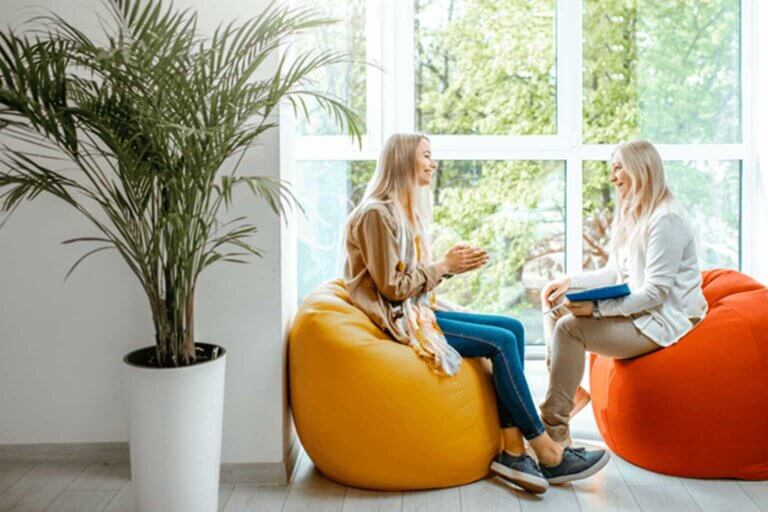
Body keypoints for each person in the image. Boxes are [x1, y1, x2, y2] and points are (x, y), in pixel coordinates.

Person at [343, 133, 609, 494]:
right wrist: (443, 266)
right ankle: (545, 450)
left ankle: (513, 451)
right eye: (426, 156)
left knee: (512, 328)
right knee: (498, 342)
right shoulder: (376, 214)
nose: (433, 163)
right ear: (404, 160)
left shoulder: (401, 213)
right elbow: (392, 288)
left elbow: (410, 283)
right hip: (397, 320)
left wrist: (450, 267)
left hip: (415, 310)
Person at [539, 139, 708, 446]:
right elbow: (615, 273)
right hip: (643, 310)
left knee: (569, 329)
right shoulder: (635, 214)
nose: (612, 177)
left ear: (640, 169)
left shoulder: (666, 218)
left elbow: (655, 293)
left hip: (662, 320)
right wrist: (571, 283)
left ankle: (554, 431)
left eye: (618, 168)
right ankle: (570, 391)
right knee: (553, 303)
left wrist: (598, 310)